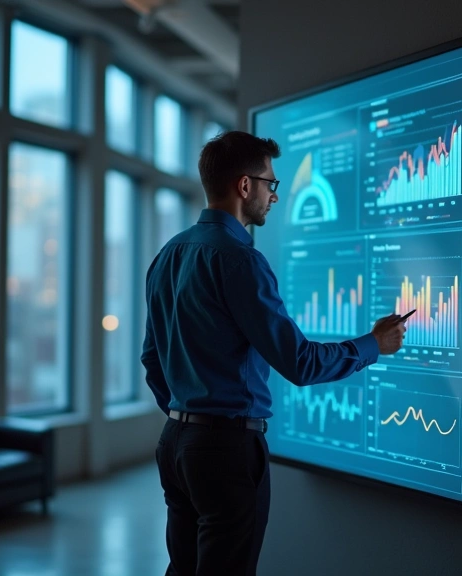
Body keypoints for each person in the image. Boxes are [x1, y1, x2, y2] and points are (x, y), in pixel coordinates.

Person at [141, 130, 407, 576]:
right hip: (225, 447)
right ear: (245, 186)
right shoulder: (240, 261)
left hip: (176, 443)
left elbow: (152, 358)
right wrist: (373, 345)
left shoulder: (169, 254)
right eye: (271, 184)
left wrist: (186, 412)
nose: (275, 196)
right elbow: (298, 362)